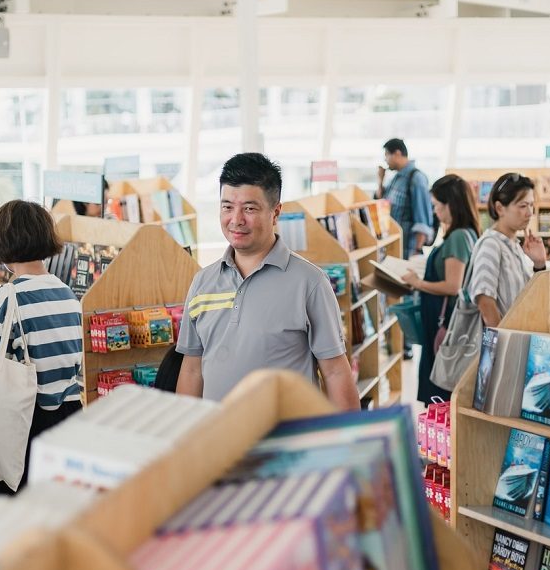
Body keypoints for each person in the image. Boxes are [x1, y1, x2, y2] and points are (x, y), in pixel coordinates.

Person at [175, 153, 359, 409]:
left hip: (286, 443)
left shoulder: (310, 282)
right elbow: (192, 369)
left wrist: (350, 443)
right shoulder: (202, 282)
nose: (236, 219)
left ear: (275, 213)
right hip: (219, 442)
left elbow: (335, 372)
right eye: (227, 207)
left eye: (249, 209)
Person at [0, 201, 82, 494]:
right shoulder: (68, 294)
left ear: (0, 244)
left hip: (26, 420)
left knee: (13, 507)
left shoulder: (6, 296)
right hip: (68, 415)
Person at [401, 174, 480, 404]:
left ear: (450, 205)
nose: (434, 211)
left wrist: (418, 283)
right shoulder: (467, 234)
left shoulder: (457, 237)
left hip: (442, 322)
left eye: (436, 205)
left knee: (438, 391)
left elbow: (453, 285)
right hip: (443, 321)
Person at [465, 173, 547, 328]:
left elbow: (529, 297)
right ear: (499, 208)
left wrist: (539, 263)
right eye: (523, 206)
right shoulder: (491, 245)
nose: (529, 213)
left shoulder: (513, 244)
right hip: (502, 346)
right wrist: (501, 342)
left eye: (531, 205)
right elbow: (485, 302)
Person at [376, 138, 433, 258]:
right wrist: (380, 180)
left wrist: (416, 252)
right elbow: (382, 204)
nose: (385, 160)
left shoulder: (416, 178)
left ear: (397, 154)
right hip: (394, 248)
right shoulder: (397, 178)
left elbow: (422, 220)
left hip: (408, 251)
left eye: (387, 155)